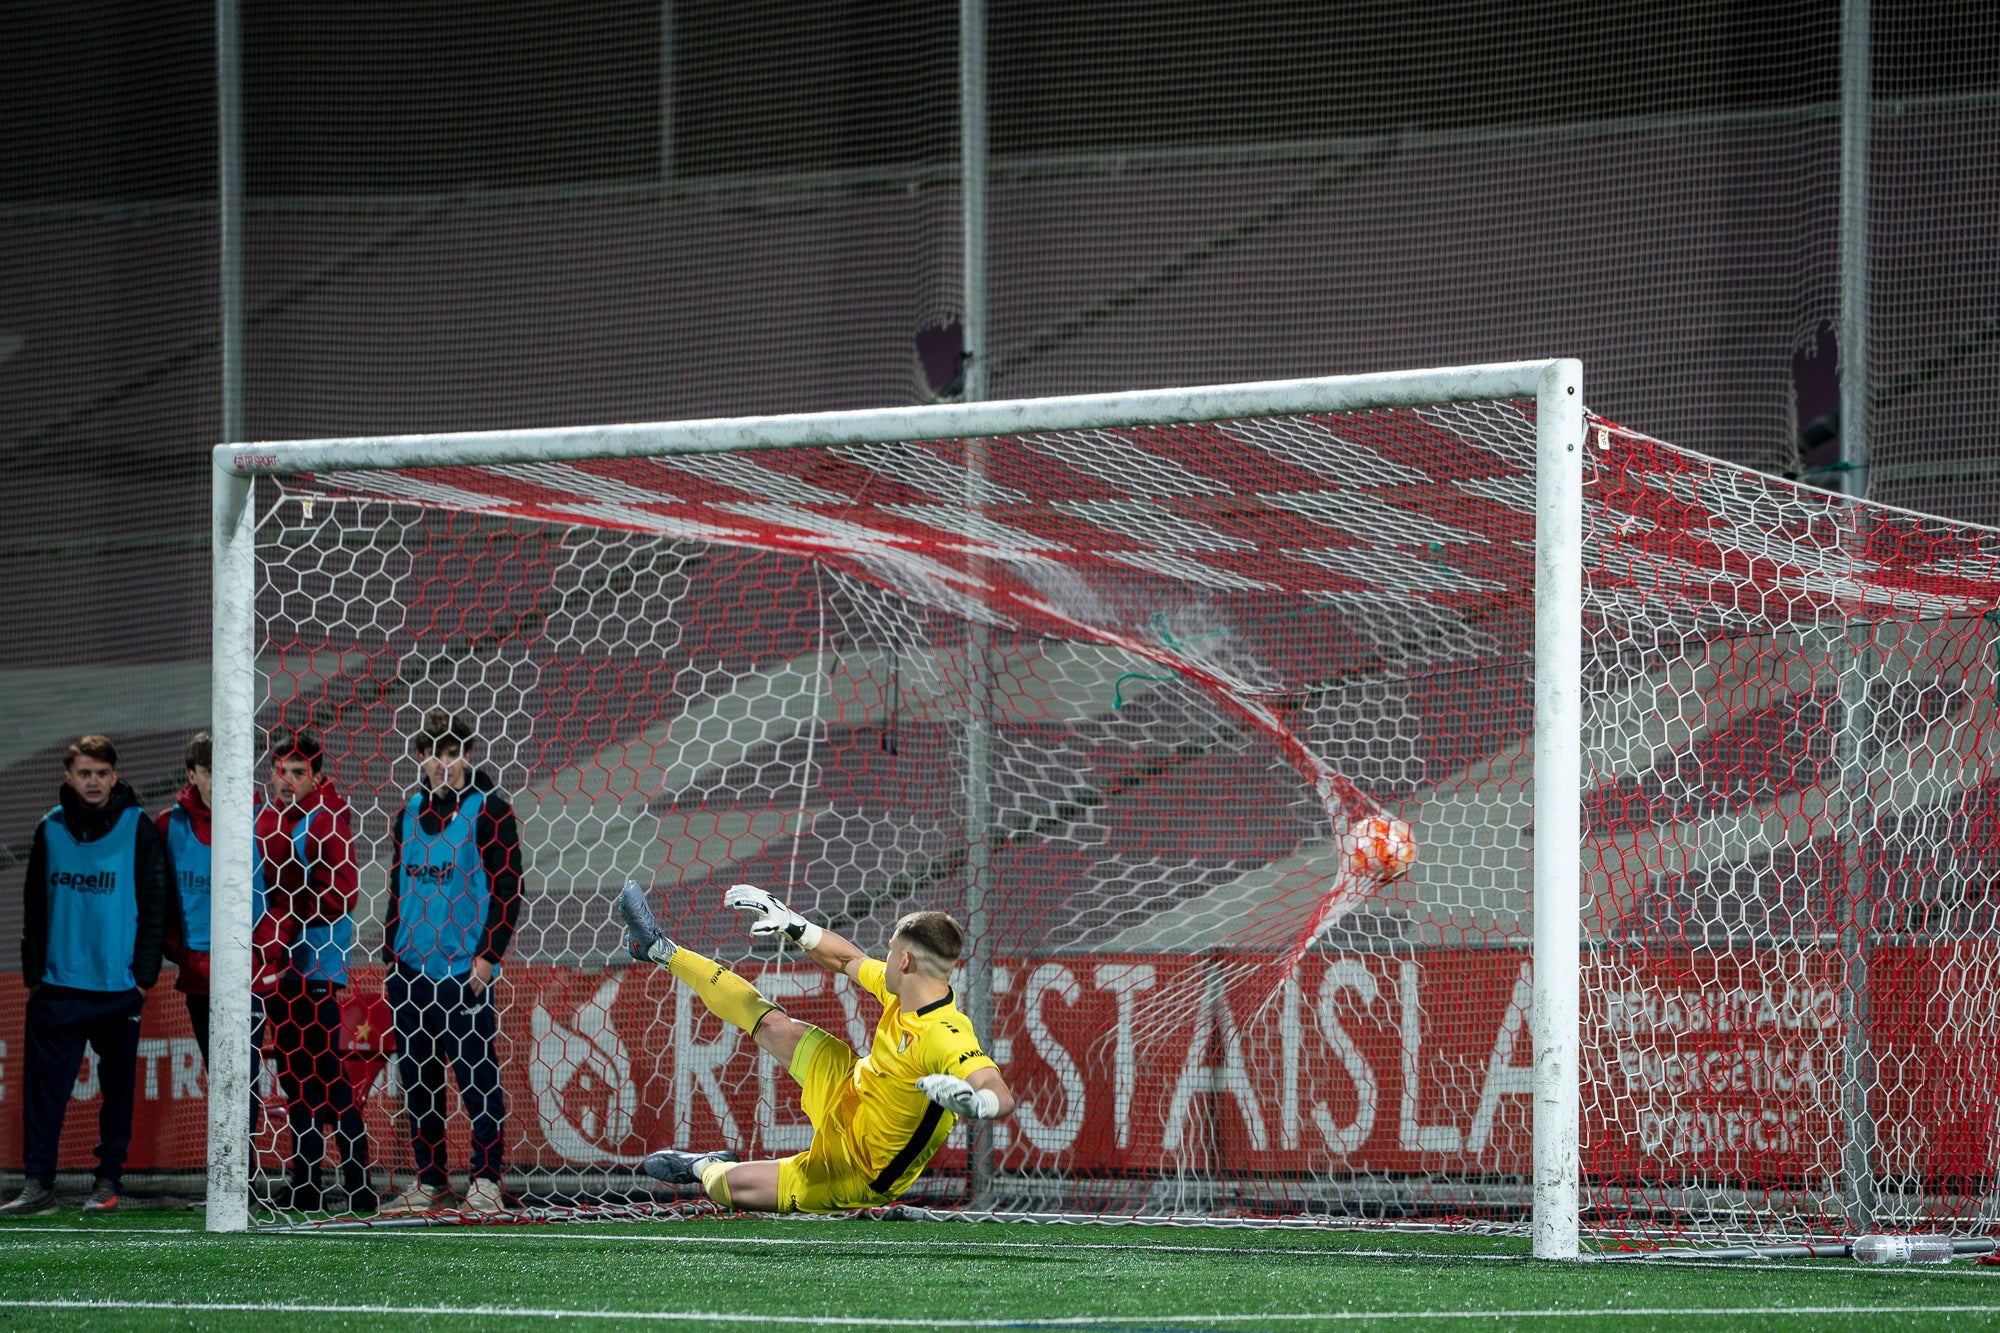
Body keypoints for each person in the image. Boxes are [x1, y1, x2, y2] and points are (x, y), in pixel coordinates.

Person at [617, 882, 1016, 1213]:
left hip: (857, 1167)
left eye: (891, 950)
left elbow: (997, 1090)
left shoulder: (945, 1032)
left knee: (731, 1187)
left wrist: (977, 1103)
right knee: (773, 1024)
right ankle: (659, 950)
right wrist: (792, 923)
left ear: (906, 961)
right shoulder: (903, 990)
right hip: (850, 1086)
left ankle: (703, 1165)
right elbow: (846, 959)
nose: (886, 957)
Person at [3, 736, 170, 1217]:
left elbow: (155, 905)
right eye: (84, 773)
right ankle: (39, 1185)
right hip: (57, 989)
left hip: (119, 989)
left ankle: (107, 1181)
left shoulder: (138, 827)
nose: (93, 781)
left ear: (114, 776)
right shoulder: (49, 828)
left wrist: (143, 978)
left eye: (101, 773)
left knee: (117, 1093)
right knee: (43, 1095)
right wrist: (35, 976)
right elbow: (33, 908)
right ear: (68, 778)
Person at [377, 709, 523, 1217]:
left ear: (467, 755)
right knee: (419, 1083)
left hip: (463, 972)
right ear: (420, 757)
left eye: (452, 752)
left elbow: (509, 889)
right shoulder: (408, 813)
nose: (444, 762)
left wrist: (488, 958)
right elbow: (397, 887)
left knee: (478, 1080)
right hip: (410, 970)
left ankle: (485, 1181)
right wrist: (390, 955)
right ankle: (430, 1181)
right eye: (434, 753)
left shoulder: (490, 810)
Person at [255, 727, 374, 1212]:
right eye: (280, 771)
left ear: (317, 776)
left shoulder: (325, 820)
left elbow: (345, 894)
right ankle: (306, 1181)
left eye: (297, 772)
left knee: (328, 1075)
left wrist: (289, 911)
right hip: (280, 968)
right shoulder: (271, 820)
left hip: (317, 968)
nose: (287, 780)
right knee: (295, 1078)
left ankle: (359, 1184)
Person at [157, 731, 282, 1070]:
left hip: (250, 972)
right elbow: (158, 900)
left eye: (227, 770)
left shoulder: (266, 823)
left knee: (244, 1075)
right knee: (220, 1074)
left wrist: (260, 949)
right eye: (209, 771)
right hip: (199, 974)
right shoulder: (168, 826)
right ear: (192, 775)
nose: (219, 781)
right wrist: (180, 949)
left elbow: (287, 897)